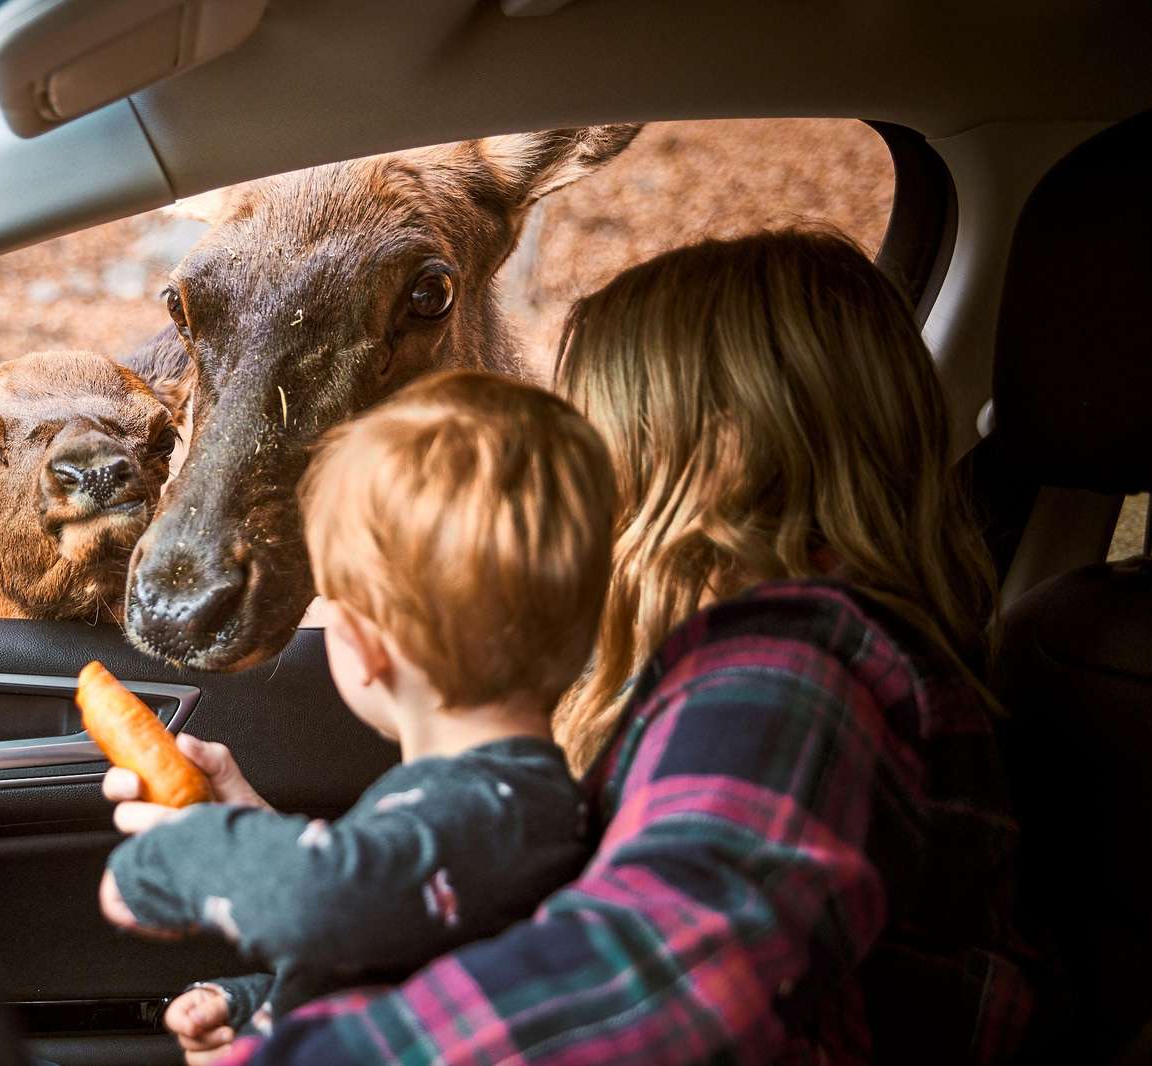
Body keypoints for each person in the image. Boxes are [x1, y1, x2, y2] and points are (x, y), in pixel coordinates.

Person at [119, 229, 1031, 1065]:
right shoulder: (739, 669)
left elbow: (661, 977)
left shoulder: (785, 675)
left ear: (708, 449)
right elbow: (534, 923)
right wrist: (296, 875)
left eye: (600, 420)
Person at [97, 370, 618, 1044]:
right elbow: (397, 953)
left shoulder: (488, 813)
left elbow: (326, 896)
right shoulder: (506, 802)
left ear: (361, 645)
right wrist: (256, 1006)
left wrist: (171, 860)